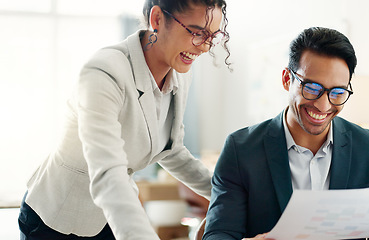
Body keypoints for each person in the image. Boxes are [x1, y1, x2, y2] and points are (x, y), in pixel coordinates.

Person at [18, 0, 230, 239]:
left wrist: (226, 196)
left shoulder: (180, 74)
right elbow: (108, 170)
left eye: (212, 36)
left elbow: (172, 150)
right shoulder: (104, 71)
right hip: (58, 215)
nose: (203, 47)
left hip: (108, 215)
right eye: (196, 32)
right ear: (157, 19)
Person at [202, 27, 369, 240]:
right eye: (312, 88)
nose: (323, 105)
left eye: (338, 93)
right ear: (287, 79)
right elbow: (219, 234)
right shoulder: (241, 150)